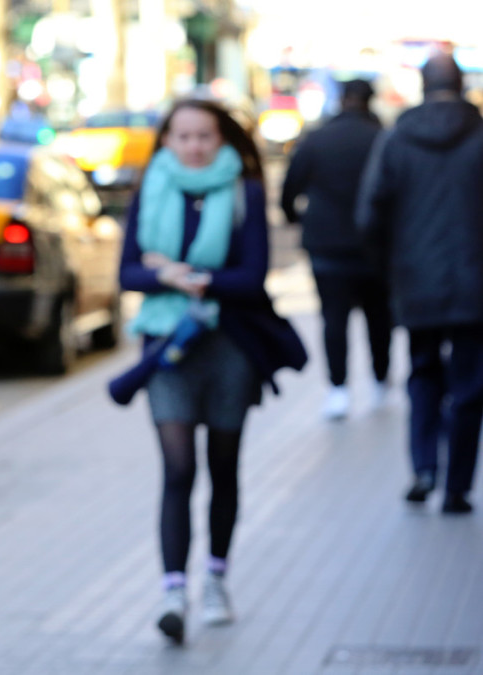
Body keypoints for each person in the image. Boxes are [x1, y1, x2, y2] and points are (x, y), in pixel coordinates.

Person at [117, 99, 305, 644]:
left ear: (222, 140)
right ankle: (173, 591)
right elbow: (129, 271)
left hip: (229, 347)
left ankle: (217, 578)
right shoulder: (150, 188)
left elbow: (252, 277)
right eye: (184, 136)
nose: (195, 146)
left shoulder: (244, 191)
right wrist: (176, 278)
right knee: (178, 471)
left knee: (224, 466)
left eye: (205, 136)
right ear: (168, 141)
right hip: (169, 347)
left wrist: (181, 275)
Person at [356, 53, 483, 515]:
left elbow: (369, 215)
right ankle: (457, 487)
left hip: (416, 281)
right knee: (470, 385)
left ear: (423, 88)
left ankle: (424, 469)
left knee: (424, 373)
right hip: (474, 286)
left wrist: (390, 269)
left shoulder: (397, 140)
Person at [281, 79, 392, 420]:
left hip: (327, 246)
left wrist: (299, 219)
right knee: (379, 318)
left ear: (342, 100)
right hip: (375, 247)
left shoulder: (318, 139)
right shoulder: (383, 139)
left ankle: (338, 389)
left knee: (333, 319)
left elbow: (289, 190)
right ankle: (380, 382)